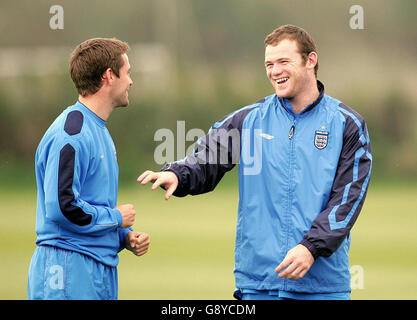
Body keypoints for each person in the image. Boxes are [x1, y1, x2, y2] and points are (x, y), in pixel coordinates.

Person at [138, 25, 372, 300]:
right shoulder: (248, 120)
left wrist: (310, 248)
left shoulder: (347, 124)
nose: (275, 71)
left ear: (311, 60)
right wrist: (178, 174)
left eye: (284, 61)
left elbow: (347, 200)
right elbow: (206, 159)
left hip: (322, 286)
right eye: (269, 64)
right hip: (259, 283)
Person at [28, 38, 150, 300]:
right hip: (68, 269)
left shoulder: (98, 130)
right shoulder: (72, 134)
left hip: (96, 268)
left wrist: (122, 237)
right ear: (109, 76)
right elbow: (63, 206)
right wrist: (116, 218)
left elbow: (89, 204)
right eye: (127, 73)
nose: (131, 81)